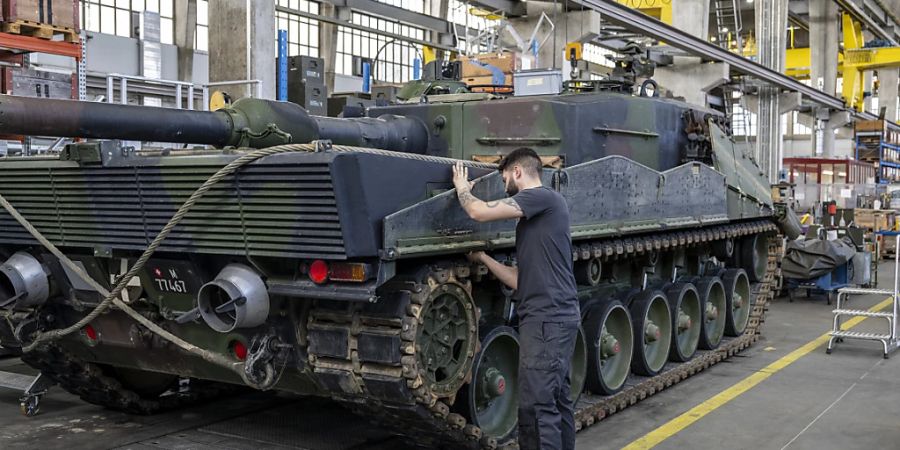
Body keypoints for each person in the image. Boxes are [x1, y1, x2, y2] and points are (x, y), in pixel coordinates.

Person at [452, 148, 580, 450]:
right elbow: (520, 279)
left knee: (537, 406)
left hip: (548, 319)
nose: (504, 181)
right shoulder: (538, 216)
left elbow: (478, 212)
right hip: (551, 317)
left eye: (504, 175)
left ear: (518, 171)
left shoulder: (540, 197)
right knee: (554, 401)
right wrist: (484, 258)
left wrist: (462, 188)